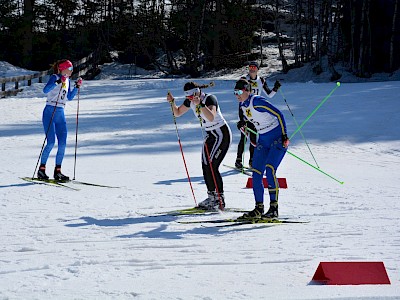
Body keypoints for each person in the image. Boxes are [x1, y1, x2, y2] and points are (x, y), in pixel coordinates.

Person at [167, 82, 232, 210]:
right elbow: (178, 113)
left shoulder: (209, 99)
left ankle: (220, 198)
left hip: (221, 134)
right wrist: (172, 102)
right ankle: (211, 196)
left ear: (198, 92)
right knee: (205, 164)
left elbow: (211, 117)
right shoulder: (190, 101)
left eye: (192, 96)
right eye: (188, 97)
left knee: (213, 165)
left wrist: (200, 104)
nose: (190, 99)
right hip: (210, 135)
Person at [233, 78, 289, 219]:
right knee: (256, 173)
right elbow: (252, 124)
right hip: (263, 141)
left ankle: (274, 209)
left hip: (277, 139)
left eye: (239, 91)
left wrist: (284, 135)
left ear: (247, 90)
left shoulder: (256, 101)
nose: (237, 95)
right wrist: (243, 126)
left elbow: (278, 114)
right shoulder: (243, 106)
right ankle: (259, 208)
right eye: (234, 92)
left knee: (270, 170)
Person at [37, 59, 83, 181]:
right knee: (51, 142)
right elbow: (45, 90)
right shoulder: (55, 77)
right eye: (70, 68)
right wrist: (58, 81)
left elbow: (69, 97)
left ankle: (58, 171)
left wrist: (76, 87)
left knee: (62, 143)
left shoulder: (67, 80)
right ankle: (41, 170)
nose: (71, 71)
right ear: (62, 68)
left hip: (60, 112)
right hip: (49, 111)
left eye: (72, 69)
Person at [235, 61, 281, 169]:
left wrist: (276, 88)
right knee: (244, 137)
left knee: (253, 138)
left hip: (256, 112)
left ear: (257, 69)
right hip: (245, 109)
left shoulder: (261, 80)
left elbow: (269, 95)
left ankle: (252, 161)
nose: (252, 69)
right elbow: (238, 95)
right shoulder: (244, 79)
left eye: (254, 67)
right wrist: (241, 118)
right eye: (250, 67)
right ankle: (238, 160)